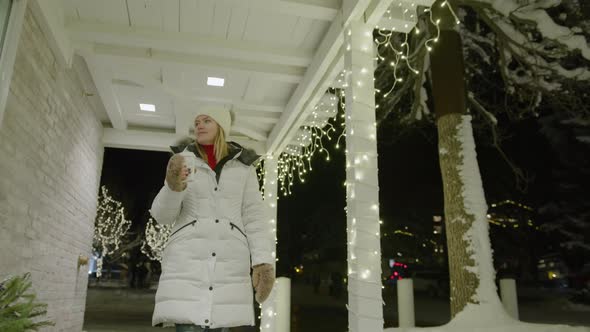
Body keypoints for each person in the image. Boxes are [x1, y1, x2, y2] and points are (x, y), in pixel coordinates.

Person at [149, 107, 275, 331]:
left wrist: (263, 262)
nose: (199, 125)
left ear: (222, 127)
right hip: (187, 264)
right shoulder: (182, 161)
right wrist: (173, 185)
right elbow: (162, 216)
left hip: (229, 266)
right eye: (197, 121)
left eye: (207, 120)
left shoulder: (244, 168)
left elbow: (254, 216)